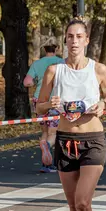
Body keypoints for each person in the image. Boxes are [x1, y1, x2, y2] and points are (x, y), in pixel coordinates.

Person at [36, 18, 106, 211]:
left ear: (86, 40)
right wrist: (50, 104)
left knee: (83, 201)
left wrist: (103, 105)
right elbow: (38, 106)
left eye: (79, 36)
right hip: (65, 141)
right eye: (70, 36)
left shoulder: (98, 69)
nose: (74, 41)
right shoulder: (54, 71)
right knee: (73, 205)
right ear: (65, 40)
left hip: (92, 140)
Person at [24, 39, 64, 173]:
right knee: (53, 133)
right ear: (56, 49)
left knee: (45, 132)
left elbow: (27, 82)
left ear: (44, 49)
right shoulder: (61, 63)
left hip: (38, 100)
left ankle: (46, 164)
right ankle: (47, 145)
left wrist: (37, 82)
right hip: (55, 100)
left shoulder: (37, 64)